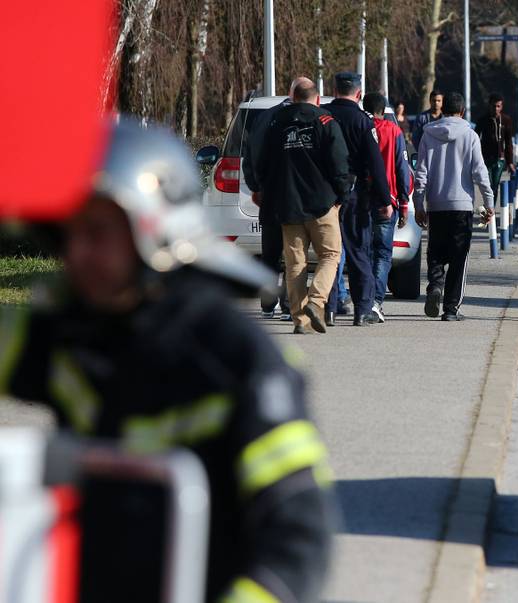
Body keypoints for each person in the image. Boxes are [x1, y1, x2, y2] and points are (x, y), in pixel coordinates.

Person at [0, 120, 334, 602]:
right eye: (70, 234)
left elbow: (298, 535)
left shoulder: (235, 356)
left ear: (157, 231)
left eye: (97, 232)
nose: (77, 252)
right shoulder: (74, 328)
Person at [255, 77, 352, 334]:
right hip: (322, 203)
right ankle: (316, 302)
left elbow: (261, 162)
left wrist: (263, 190)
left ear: (293, 97)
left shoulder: (276, 123)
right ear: (317, 99)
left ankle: (300, 320)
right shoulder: (326, 121)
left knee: (295, 264)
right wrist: (342, 196)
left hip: (288, 204)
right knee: (330, 255)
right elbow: (340, 163)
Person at [414, 92, 494, 321]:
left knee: (435, 252)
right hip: (462, 206)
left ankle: (435, 286)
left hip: (436, 205)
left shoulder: (428, 134)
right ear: (462, 111)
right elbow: (480, 172)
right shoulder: (470, 136)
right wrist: (488, 203)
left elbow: (421, 173)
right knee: (459, 257)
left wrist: (419, 204)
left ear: (443, 109)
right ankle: (451, 309)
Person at [323, 72, 392, 326]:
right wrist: (385, 199)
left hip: (327, 194)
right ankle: (362, 310)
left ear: (335, 90)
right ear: (359, 94)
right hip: (355, 195)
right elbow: (376, 164)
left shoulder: (323, 116)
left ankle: (329, 309)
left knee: (329, 253)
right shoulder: (363, 122)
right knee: (359, 252)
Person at [363, 92, 412, 323]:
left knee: (361, 252)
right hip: (387, 201)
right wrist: (404, 202)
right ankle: (375, 303)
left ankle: (361, 300)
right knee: (382, 254)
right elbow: (402, 168)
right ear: (383, 110)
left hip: (361, 200)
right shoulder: (393, 131)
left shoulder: (359, 128)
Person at [243, 95, 292, 321]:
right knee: (293, 254)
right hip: (295, 200)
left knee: (270, 255)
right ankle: (289, 305)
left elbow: (249, 157)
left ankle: (268, 304)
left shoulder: (263, 119)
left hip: (269, 197)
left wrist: (256, 187)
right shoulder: (304, 119)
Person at [475, 93, 515, 205]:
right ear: (489, 105)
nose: (496, 109)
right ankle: (488, 206)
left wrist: (510, 162)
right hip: (485, 158)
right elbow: (475, 138)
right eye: (494, 106)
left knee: (495, 185)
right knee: (487, 184)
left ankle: (490, 208)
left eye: (498, 106)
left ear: (501, 107)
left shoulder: (506, 120)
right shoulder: (482, 120)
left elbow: (508, 142)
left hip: (499, 159)